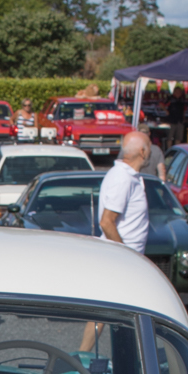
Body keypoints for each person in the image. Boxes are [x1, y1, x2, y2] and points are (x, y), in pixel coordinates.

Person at [77, 130, 151, 353]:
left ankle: (124, 361)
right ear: (142, 151)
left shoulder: (127, 176)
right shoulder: (123, 178)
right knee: (106, 311)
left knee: (119, 314)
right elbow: (107, 222)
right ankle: (81, 358)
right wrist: (126, 254)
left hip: (126, 259)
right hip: (123, 260)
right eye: (149, 146)